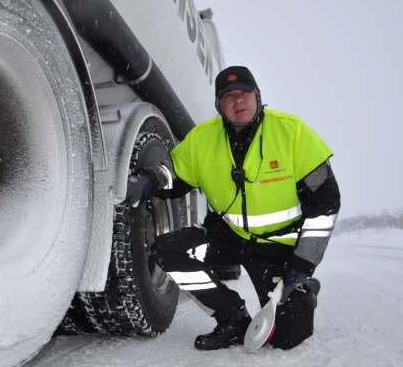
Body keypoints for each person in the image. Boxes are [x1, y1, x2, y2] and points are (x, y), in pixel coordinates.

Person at [127, 65, 340, 350]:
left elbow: (326, 203)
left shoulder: (293, 133)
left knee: (285, 338)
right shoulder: (202, 139)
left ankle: (306, 292)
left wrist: (303, 264)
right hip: (227, 239)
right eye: (228, 96)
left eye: (244, 93)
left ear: (257, 95)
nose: (238, 101)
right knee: (169, 251)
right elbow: (174, 176)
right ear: (219, 105)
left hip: (279, 247)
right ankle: (233, 319)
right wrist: (149, 179)